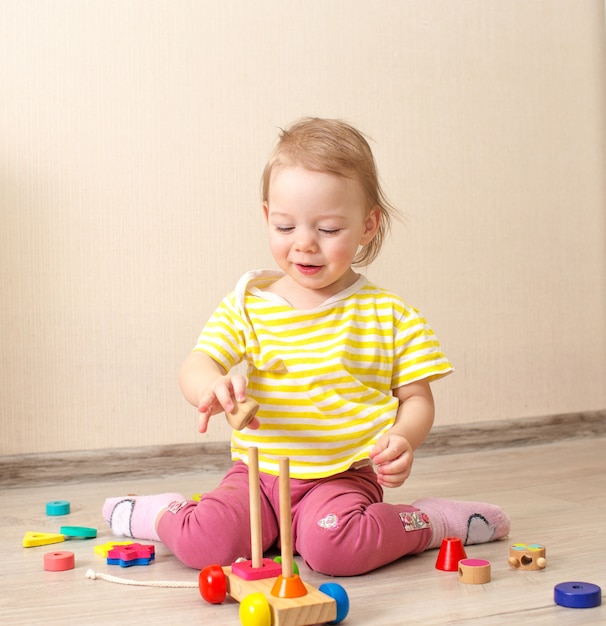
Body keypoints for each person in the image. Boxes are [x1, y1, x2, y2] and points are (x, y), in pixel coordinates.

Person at [103, 117, 509, 576]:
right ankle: (157, 514)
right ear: (265, 217)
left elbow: (416, 398)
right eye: (284, 226)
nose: (304, 244)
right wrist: (210, 387)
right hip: (256, 476)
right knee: (206, 543)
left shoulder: (392, 316)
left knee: (337, 550)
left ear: (368, 224)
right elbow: (200, 361)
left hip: (342, 475)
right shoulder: (250, 303)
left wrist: (403, 438)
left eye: (329, 229)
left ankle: (431, 521)